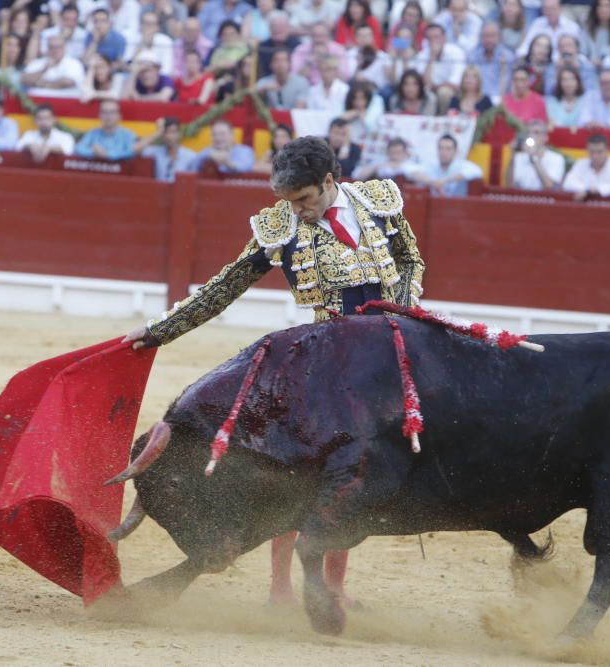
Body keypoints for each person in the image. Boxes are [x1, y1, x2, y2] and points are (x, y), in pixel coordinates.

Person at [122, 136, 425, 609]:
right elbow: (225, 284)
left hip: (387, 358)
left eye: (304, 199)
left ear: (329, 182)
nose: (297, 210)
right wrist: (161, 330)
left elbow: (409, 258)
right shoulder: (280, 225)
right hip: (326, 365)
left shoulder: (378, 202)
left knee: (354, 475)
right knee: (296, 474)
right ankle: (281, 588)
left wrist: (403, 310)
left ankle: (335, 587)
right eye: (287, 200)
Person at [414, 22, 466, 112]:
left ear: (444, 38)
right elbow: (424, 83)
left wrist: (436, 87)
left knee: (444, 93)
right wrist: (431, 58)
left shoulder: (456, 52)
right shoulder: (421, 56)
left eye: (436, 37)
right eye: (430, 38)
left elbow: (455, 82)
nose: (433, 41)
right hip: (429, 90)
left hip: (451, 90)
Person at [562, 133, 610, 200]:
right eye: (591, 152)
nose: (595, 156)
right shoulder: (580, 163)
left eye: (599, 152)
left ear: (608, 150)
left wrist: (590, 191)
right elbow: (567, 184)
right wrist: (588, 190)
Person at [506, 117, 567, 190]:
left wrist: (534, 158)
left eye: (536, 132)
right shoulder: (519, 157)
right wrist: (512, 158)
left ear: (545, 137)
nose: (531, 136)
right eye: (528, 132)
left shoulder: (556, 159)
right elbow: (509, 186)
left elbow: (550, 187)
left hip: (545, 200)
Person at [415, 133, 482, 196]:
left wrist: (445, 181)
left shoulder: (462, 165)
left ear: (455, 151)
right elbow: (409, 170)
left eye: (448, 149)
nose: (443, 152)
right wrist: (432, 182)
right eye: (441, 148)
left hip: (458, 206)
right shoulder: (431, 166)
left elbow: (477, 171)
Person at [21, 34, 85, 98]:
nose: (55, 50)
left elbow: (67, 83)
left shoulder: (74, 63)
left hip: (64, 102)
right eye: (51, 47)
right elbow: (24, 79)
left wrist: (40, 83)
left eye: (58, 47)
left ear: (64, 48)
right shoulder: (37, 63)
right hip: (37, 102)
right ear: (47, 48)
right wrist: (44, 69)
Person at [136, 116, 197, 181]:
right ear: (162, 135)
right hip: (159, 190)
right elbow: (136, 150)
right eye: (166, 132)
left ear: (179, 134)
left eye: (173, 132)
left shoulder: (190, 156)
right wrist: (158, 133)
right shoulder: (157, 151)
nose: (169, 136)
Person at [515, 0, 580, 57]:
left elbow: (577, 52)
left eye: (552, 8)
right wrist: (521, 56)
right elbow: (526, 46)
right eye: (546, 9)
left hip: (564, 65)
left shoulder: (572, 26)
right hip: (541, 63)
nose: (549, 12)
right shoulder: (537, 23)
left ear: (560, 9)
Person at [469, 21, 513, 103]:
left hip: (499, 98)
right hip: (477, 98)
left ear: (499, 37)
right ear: (480, 38)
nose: (489, 40)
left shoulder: (507, 56)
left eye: (492, 36)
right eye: (485, 36)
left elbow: (506, 85)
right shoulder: (473, 56)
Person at [355, 136, 426, 180]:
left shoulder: (411, 164)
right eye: (392, 153)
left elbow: (420, 176)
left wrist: (400, 166)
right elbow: (359, 176)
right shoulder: (381, 162)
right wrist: (376, 168)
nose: (394, 156)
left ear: (405, 153)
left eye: (398, 153)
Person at [347, 24, 391, 91]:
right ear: (355, 38)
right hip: (354, 90)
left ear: (372, 37)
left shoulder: (383, 56)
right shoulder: (349, 55)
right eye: (360, 36)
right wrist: (358, 65)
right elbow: (348, 78)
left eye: (367, 36)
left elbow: (389, 80)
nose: (364, 39)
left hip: (376, 91)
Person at [257, 10, 300, 77]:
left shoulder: (298, 46)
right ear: (269, 28)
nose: (277, 29)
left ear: (288, 28)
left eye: (281, 26)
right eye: (274, 26)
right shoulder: (263, 47)